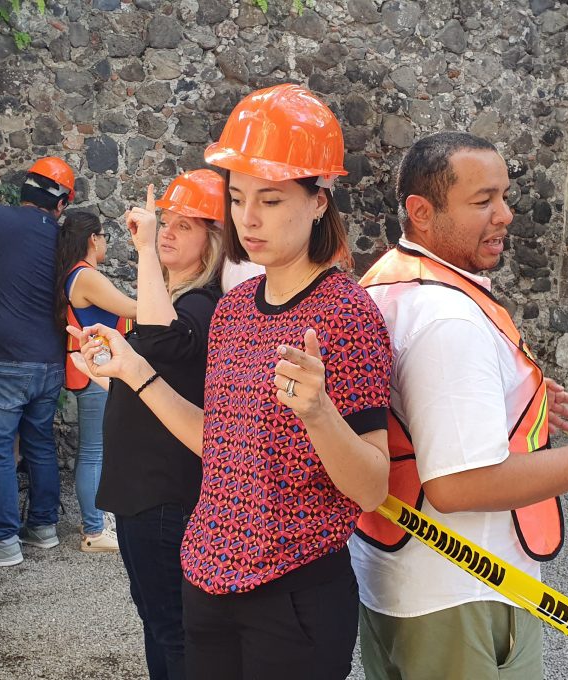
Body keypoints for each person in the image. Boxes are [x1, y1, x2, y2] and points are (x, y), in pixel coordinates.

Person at [349, 132, 568, 679]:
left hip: (399, 580)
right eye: (482, 200)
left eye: (504, 196)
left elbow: (413, 416)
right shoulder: (449, 319)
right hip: (462, 591)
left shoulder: (384, 285)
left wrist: (522, 400)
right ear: (421, 212)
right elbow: (459, 485)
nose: (506, 215)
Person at [71, 84, 392, 680]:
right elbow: (217, 441)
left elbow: (373, 487)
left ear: (320, 199)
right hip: (208, 577)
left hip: (292, 591)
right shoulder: (236, 309)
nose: (248, 219)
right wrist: (131, 368)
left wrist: (318, 414)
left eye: (270, 200)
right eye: (239, 198)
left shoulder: (347, 313)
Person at [71, 170, 230, 680]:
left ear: (212, 239)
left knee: (173, 630)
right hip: (148, 494)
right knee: (158, 623)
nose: (167, 232)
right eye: (166, 222)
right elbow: (153, 389)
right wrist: (106, 371)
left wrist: (141, 252)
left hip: (165, 496)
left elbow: (162, 342)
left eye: (185, 226)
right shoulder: (179, 301)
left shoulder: (200, 305)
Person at [0, 157, 75, 569]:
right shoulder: (62, 239)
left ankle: (3, 541)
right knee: (39, 444)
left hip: (2, 360)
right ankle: (43, 528)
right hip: (49, 362)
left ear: (24, 189)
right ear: (60, 204)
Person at [54, 210, 136, 553]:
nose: (105, 242)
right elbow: (133, 308)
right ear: (93, 239)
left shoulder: (76, 274)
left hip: (94, 367)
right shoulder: (85, 275)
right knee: (93, 451)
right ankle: (94, 529)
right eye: (104, 236)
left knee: (95, 448)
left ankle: (96, 519)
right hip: (96, 369)